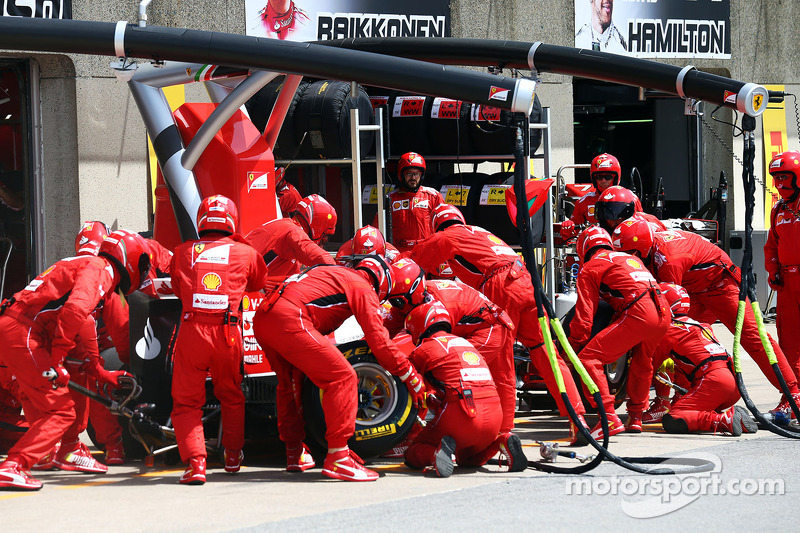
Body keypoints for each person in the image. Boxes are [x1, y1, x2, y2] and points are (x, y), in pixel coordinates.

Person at [408, 203, 588, 439]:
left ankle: (503, 431)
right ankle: (578, 419)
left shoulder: (448, 235)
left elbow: (412, 262)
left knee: (502, 359)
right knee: (547, 353)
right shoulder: (480, 232)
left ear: (437, 226)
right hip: (527, 281)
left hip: (501, 285)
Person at [0, 229, 151, 490]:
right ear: (131, 259)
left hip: (22, 331)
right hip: (23, 333)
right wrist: (57, 361)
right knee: (60, 411)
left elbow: (77, 322)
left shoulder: (85, 264)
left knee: (69, 388)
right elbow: (76, 310)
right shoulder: (100, 269)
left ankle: (69, 449)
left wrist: (101, 373)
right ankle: (14, 466)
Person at [252, 256, 425, 482]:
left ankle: (294, 452)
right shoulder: (363, 287)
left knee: (289, 383)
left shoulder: (331, 272)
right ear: (383, 283)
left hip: (264, 316)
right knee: (342, 377)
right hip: (291, 315)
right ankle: (339, 458)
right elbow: (380, 343)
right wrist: (411, 375)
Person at [612, 218, 800, 417]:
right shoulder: (646, 247)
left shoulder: (668, 261)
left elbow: (664, 308)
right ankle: (669, 400)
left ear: (641, 248)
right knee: (671, 338)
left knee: (754, 337)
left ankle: (793, 395)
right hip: (693, 289)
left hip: (721, 285)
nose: (624, 261)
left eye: (627, 255)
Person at [169, 195, 270, 485]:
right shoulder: (245, 252)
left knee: (187, 402)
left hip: (192, 332)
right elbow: (258, 283)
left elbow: (177, 287)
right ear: (231, 219)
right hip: (229, 332)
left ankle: (196, 464)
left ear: (201, 219)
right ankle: (233, 456)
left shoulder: (182, 251)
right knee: (232, 395)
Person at [383, 262, 517, 436]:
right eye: (392, 299)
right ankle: (498, 433)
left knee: (446, 372)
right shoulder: (408, 301)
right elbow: (382, 333)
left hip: (489, 327)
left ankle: (422, 430)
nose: (396, 305)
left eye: (397, 300)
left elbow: (436, 348)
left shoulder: (440, 301)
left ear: (414, 290)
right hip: (472, 325)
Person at [402, 300, 527, 477]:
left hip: (462, 413)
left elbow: (408, 379)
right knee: (468, 460)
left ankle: (434, 454)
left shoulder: (424, 349)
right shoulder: (466, 344)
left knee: (413, 453)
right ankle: (502, 441)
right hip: (494, 415)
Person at [568, 226, 670, 438]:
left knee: (589, 359)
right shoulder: (628, 258)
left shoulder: (590, 267)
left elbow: (585, 315)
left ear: (583, 248)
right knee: (643, 362)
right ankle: (636, 418)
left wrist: (573, 346)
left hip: (640, 312)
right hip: (664, 312)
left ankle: (609, 417)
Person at [654, 283, 758, 436]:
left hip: (715, 382)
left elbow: (647, 367)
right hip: (733, 382)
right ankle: (733, 418)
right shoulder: (702, 325)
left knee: (674, 418)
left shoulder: (669, 331)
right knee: (689, 410)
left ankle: (722, 420)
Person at [245, 193, 336, 289]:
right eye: (324, 239)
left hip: (244, 283)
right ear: (318, 227)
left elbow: (295, 279)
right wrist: (342, 275)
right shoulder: (293, 231)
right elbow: (318, 256)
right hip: (242, 286)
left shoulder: (287, 230)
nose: (322, 244)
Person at [765, 150, 800, 385]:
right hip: (787, 282)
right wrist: (773, 271)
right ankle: (793, 397)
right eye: (776, 178)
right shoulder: (778, 209)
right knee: (788, 342)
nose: (778, 183)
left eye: (783, 177)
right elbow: (772, 245)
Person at [379, 152, 444, 254]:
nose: (413, 178)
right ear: (401, 174)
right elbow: (379, 230)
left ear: (421, 175)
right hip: (398, 254)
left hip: (426, 252)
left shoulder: (433, 196)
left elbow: (445, 229)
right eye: (409, 173)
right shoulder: (390, 198)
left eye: (416, 174)